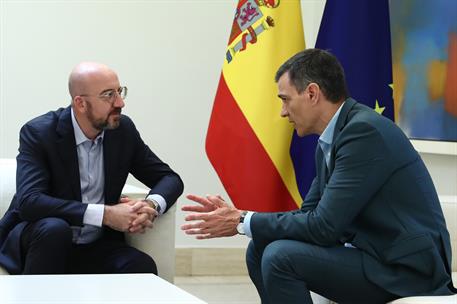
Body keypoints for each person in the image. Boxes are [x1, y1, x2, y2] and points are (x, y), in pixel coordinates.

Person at [181, 49, 455, 303]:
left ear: (312, 93)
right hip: (375, 255)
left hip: (406, 269)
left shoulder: (364, 133)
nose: (283, 111)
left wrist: (241, 220)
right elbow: (310, 216)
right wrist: (242, 217)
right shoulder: (334, 138)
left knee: (280, 257)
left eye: (286, 99)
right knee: (261, 248)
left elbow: (323, 227)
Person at [0, 62, 184, 275]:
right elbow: (29, 202)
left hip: (94, 245)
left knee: (141, 266)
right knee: (54, 229)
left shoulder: (122, 131)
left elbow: (170, 178)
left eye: (119, 91)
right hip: (42, 242)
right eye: (108, 95)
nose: (120, 102)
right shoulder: (39, 133)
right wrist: (106, 215)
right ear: (80, 104)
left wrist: (150, 205)